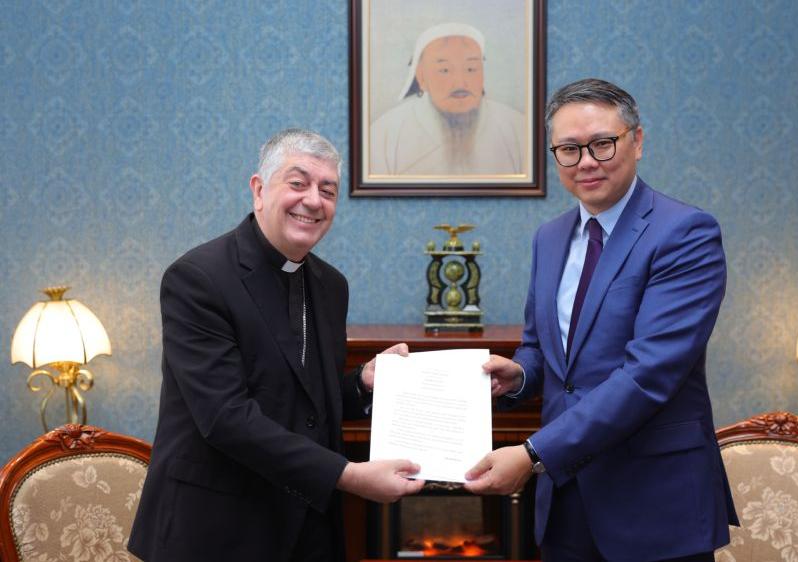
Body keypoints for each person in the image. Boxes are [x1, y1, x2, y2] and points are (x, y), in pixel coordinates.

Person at [464, 79, 738, 561]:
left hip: (654, 501)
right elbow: (542, 348)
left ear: (637, 140)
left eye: (602, 144)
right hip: (565, 501)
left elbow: (648, 375)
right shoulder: (549, 238)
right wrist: (521, 375)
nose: (586, 162)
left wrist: (532, 454)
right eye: (569, 149)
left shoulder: (684, 233)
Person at [128, 129, 424, 562]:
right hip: (215, 530)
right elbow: (226, 417)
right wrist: (346, 475)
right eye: (298, 183)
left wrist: (362, 382)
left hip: (307, 528)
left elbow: (302, 402)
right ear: (259, 190)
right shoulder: (197, 278)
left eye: (328, 190)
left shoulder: (330, 285)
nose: (314, 201)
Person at [369, 22, 525, 176]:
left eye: (471, 69)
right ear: (421, 76)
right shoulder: (384, 134)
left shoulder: (517, 127)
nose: (460, 82)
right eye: (444, 70)